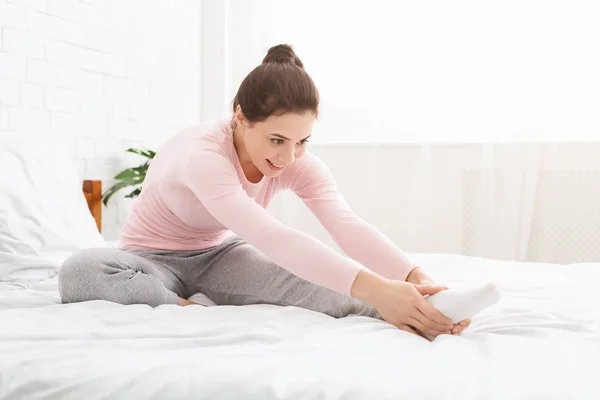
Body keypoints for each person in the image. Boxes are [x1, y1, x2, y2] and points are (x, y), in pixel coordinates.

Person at [59, 44, 471, 339]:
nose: (289, 157)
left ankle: (419, 311)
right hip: (146, 261)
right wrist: (376, 283)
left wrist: (411, 277)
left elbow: (346, 225)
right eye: (277, 140)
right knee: (80, 271)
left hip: (219, 256)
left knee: (307, 281)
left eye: (302, 141)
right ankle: (182, 306)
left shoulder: (294, 161)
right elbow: (273, 236)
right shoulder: (204, 155)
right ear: (240, 117)